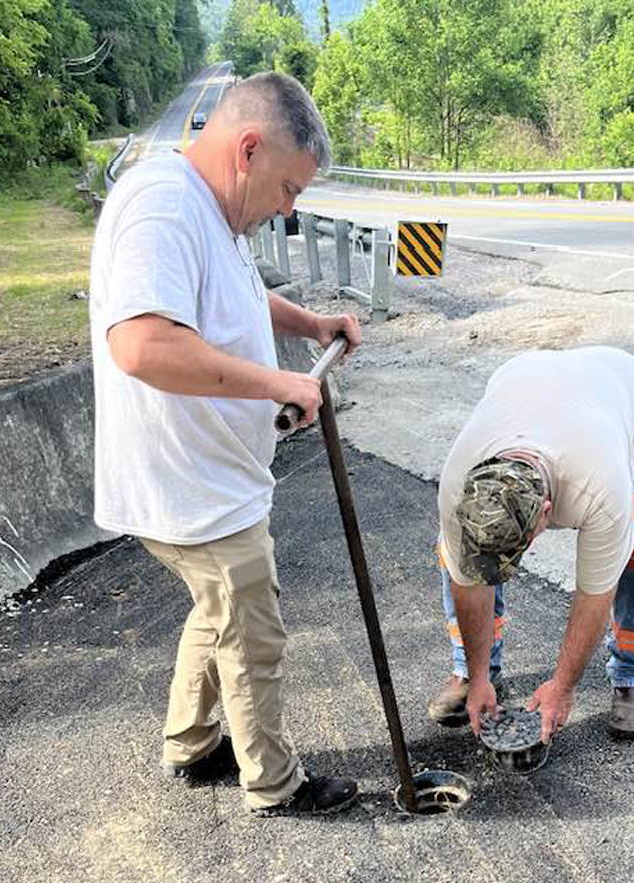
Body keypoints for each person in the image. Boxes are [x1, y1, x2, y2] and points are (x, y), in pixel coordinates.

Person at [89, 72, 362, 816]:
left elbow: (235, 295)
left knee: (218, 612)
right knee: (254, 636)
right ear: (247, 149)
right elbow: (144, 346)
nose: (289, 207)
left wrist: (308, 325)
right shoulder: (162, 207)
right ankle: (273, 783)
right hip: (190, 488)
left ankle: (190, 742)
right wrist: (279, 385)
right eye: (287, 188)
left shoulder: (214, 209)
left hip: (214, 480)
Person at [429, 347, 634, 743]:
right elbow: (468, 579)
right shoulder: (459, 485)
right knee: (454, 557)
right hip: (526, 379)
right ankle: (472, 671)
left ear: (546, 513)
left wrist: (563, 686)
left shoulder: (599, 487)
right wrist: (477, 680)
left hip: (621, 394)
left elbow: (594, 594)